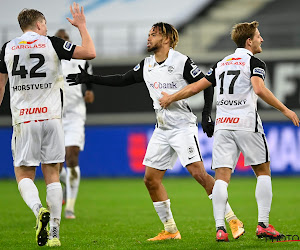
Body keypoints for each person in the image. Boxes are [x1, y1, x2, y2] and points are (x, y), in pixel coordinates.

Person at [67, 22, 244, 241]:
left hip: (182, 127)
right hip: (162, 129)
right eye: (149, 34)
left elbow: (206, 84)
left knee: (199, 174)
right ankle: (170, 230)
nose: (148, 38)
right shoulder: (147, 64)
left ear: (167, 39)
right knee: (150, 180)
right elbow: (122, 79)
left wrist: (206, 115)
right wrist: (91, 79)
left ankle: (232, 219)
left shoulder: (181, 61)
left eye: (154, 34)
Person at [158, 21, 300, 242]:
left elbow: (195, 87)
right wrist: (285, 110)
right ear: (249, 41)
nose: (261, 39)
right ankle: (263, 224)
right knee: (263, 171)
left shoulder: (222, 63)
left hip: (223, 125)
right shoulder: (254, 62)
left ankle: (220, 228)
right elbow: (259, 88)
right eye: (258, 36)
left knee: (222, 178)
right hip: (246, 123)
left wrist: (170, 97)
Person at [0, 3, 96, 247]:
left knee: (24, 174)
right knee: (52, 173)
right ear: (40, 24)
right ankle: (54, 234)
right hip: (52, 119)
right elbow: (89, 53)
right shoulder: (51, 43)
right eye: (45, 25)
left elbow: (0, 87)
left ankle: (37, 210)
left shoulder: (7, 48)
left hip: (24, 119)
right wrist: (82, 26)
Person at [55, 28, 95, 219]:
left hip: (75, 115)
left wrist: (89, 91)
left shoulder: (80, 58)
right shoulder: (49, 60)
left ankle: (70, 206)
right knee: (56, 165)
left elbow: (88, 80)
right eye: (60, 39)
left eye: (66, 39)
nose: (63, 41)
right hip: (54, 115)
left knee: (72, 158)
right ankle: (65, 187)